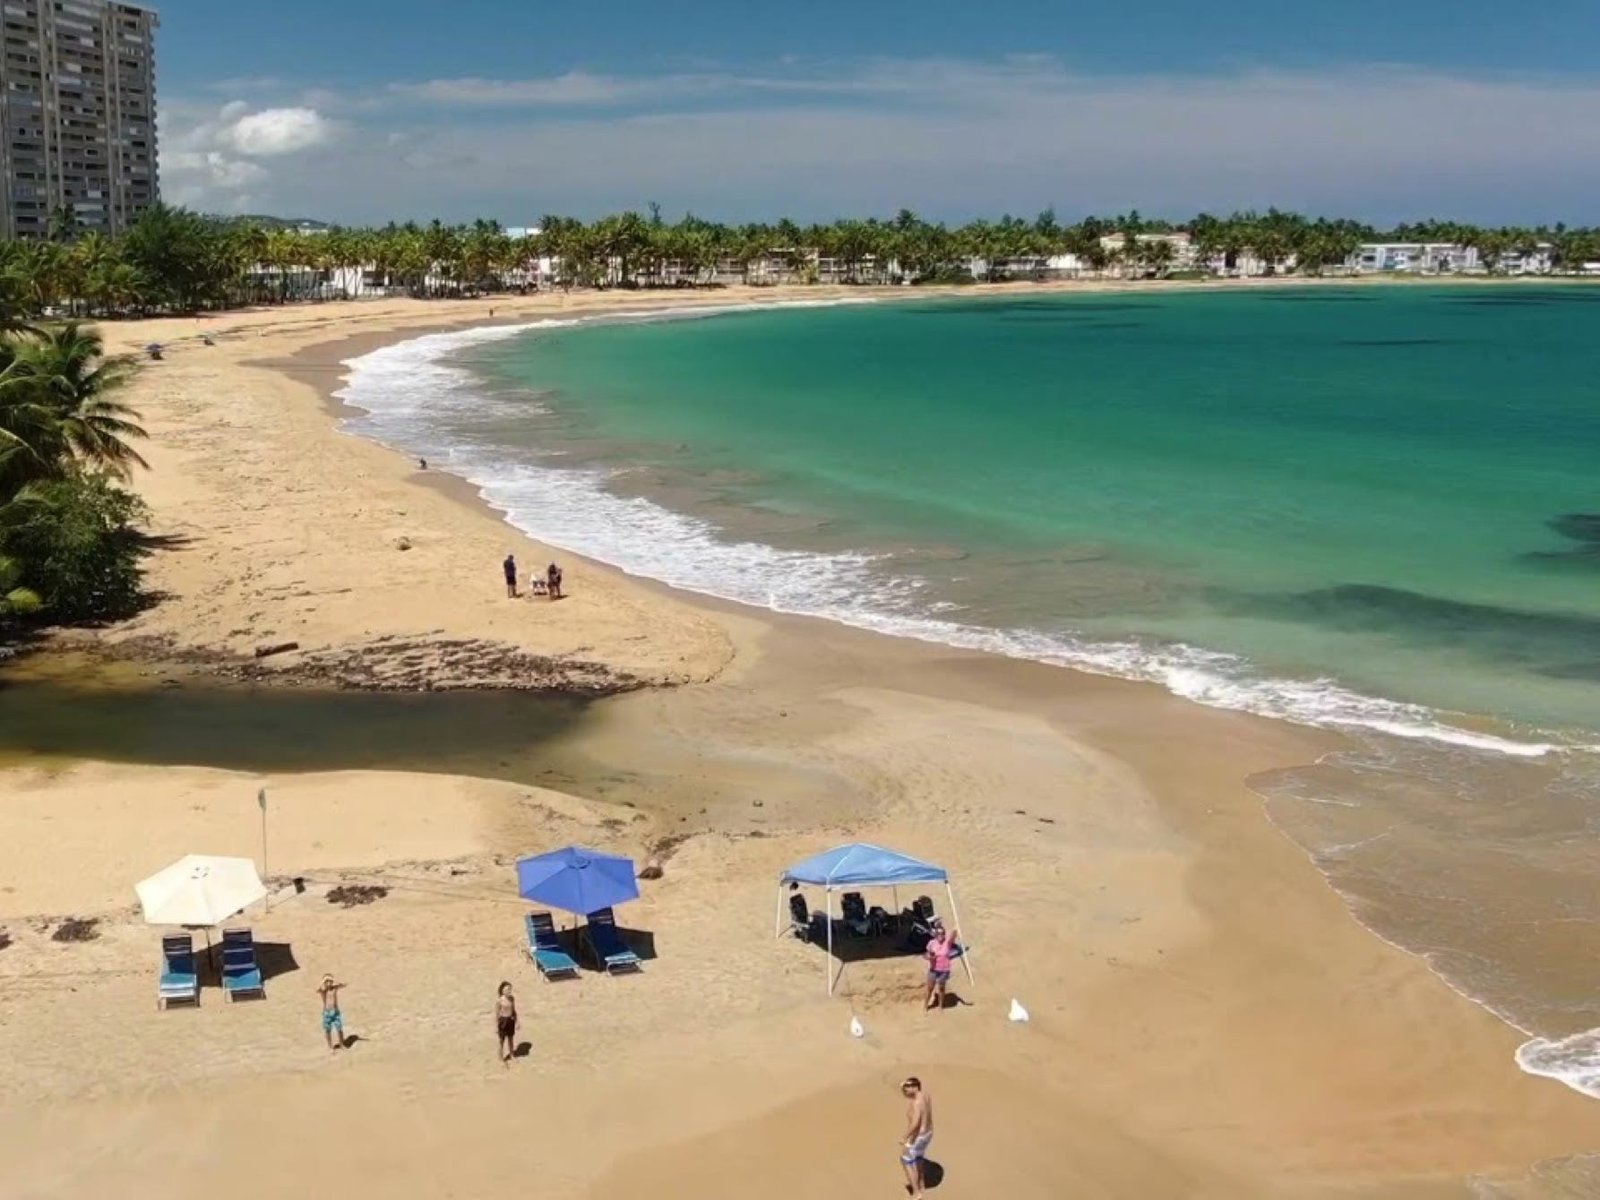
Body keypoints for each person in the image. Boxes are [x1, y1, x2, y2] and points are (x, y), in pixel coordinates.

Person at [898, 1077, 934, 1199]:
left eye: (907, 1088)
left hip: (918, 1136)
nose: (905, 1091)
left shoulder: (917, 1102)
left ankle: (916, 1192)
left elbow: (915, 1123)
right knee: (918, 1158)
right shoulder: (925, 1095)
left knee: (906, 1160)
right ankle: (921, 1183)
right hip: (928, 1133)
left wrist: (905, 1137)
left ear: (915, 1087)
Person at [924, 920, 958, 1012]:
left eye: (942, 934)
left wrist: (955, 928)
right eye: (939, 934)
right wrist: (929, 957)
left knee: (941, 988)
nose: (941, 935)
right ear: (935, 935)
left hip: (944, 970)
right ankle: (925, 1006)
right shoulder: (931, 943)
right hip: (933, 970)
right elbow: (926, 954)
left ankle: (940, 1007)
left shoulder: (947, 943)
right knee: (930, 988)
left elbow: (953, 936)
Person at [317, 975, 347, 1051]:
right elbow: (317, 990)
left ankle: (341, 1044)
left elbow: (344, 984)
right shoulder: (323, 991)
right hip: (327, 1013)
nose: (329, 983)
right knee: (328, 1030)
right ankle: (330, 1047)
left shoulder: (334, 989)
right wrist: (323, 982)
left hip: (336, 1012)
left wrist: (334, 981)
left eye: (330, 981)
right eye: (327, 981)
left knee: (339, 1029)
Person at [496, 981, 518, 1065]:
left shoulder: (512, 998)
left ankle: (512, 1054)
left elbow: (514, 1010)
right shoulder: (499, 1000)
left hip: (510, 1020)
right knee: (501, 1040)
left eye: (510, 989)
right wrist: (495, 1026)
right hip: (503, 1021)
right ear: (502, 990)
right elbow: (497, 1014)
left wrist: (517, 1021)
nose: (509, 991)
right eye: (507, 989)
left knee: (511, 1038)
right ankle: (501, 1058)